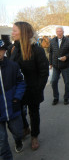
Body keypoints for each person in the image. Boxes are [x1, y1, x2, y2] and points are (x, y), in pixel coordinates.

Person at [7, 21, 49, 151]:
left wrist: (39, 89)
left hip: (33, 89)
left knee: (34, 113)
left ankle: (34, 135)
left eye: (15, 31)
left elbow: (44, 72)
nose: (12, 33)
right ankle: (25, 128)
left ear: (23, 33)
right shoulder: (12, 49)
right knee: (19, 112)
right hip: (17, 90)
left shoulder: (37, 50)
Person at [0, 40, 26, 160]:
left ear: (4, 51)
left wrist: (17, 98)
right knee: (1, 140)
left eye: (1, 50)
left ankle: (18, 141)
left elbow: (21, 82)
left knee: (18, 132)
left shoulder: (12, 66)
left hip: (12, 106)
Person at [49, 26, 69, 105]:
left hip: (65, 65)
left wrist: (66, 57)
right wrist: (50, 63)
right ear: (56, 32)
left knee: (67, 82)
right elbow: (50, 52)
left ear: (63, 32)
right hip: (55, 66)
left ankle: (66, 98)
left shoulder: (68, 41)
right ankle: (56, 97)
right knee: (53, 81)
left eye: (60, 31)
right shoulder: (52, 41)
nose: (59, 33)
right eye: (57, 31)